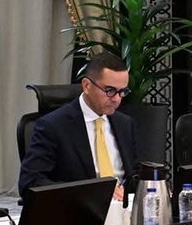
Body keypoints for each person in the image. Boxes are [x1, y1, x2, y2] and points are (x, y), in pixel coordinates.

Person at [18, 51, 139, 200]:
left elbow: (133, 176)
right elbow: (30, 183)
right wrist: (93, 192)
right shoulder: (53, 126)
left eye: (122, 92)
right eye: (110, 91)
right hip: (79, 208)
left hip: (123, 208)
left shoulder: (125, 124)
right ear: (87, 86)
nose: (116, 99)